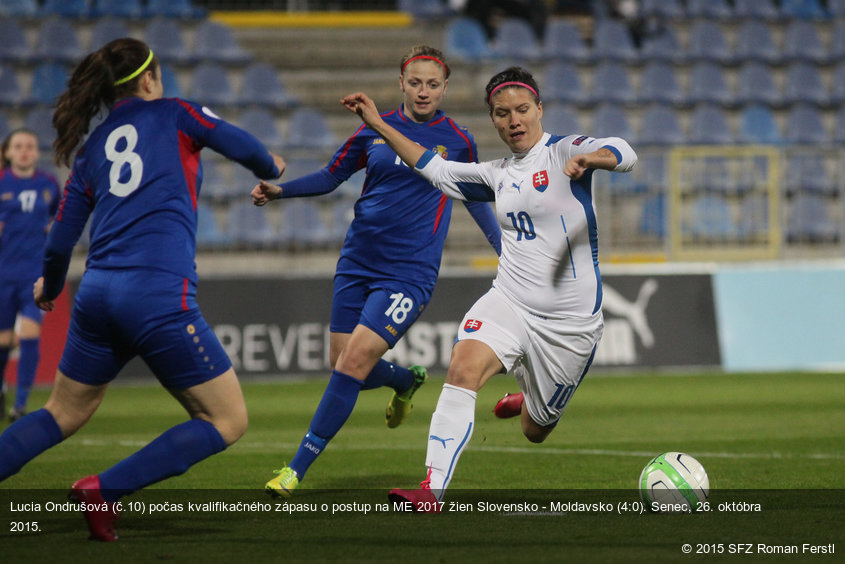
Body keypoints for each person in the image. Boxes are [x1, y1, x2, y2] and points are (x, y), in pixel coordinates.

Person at [0, 38, 284, 540]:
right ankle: (105, 490)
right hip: (156, 296)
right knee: (227, 419)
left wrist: (50, 285)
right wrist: (271, 168)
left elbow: (61, 238)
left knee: (61, 412)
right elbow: (245, 147)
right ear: (150, 79)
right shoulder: (177, 114)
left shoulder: (91, 151)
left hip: (96, 295)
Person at [340, 66, 637, 510]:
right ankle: (432, 490)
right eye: (502, 113)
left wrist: (595, 160)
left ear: (539, 109)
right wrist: (379, 124)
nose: (514, 120)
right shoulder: (495, 175)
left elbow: (624, 150)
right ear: (494, 119)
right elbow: (434, 169)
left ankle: (529, 399)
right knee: (461, 366)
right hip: (510, 301)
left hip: (569, 325)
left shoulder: (564, 152)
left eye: (522, 110)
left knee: (536, 432)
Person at [251, 45, 501, 498]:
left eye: (432, 84)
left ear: (444, 88)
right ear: (401, 83)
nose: (423, 91)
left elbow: (475, 199)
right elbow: (330, 177)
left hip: (409, 272)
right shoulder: (372, 132)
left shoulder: (458, 139)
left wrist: (506, 250)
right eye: (415, 82)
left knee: (351, 362)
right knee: (343, 362)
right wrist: (279, 190)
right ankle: (405, 380)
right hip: (357, 261)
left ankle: (295, 469)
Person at [0, 128, 60, 422]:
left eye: (30, 146)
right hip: (3, 273)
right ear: (8, 152)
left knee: (29, 333)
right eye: (19, 146)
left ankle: (20, 404)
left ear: (37, 153)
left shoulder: (48, 184)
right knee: (3, 340)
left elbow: (59, 218)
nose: (24, 151)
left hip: (34, 274)